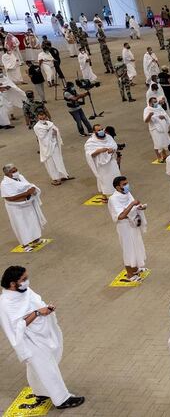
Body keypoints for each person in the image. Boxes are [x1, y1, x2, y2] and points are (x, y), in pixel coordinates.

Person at [0, 266, 86, 410]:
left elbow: (36, 303)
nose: (27, 282)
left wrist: (47, 309)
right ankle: (62, 399)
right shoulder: (6, 303)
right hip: (29, 340)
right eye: (23, 279)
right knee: (47, 368)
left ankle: (41, 392)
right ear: (12, 284)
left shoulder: (24, 291)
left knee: (35, 368)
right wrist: (38, 313)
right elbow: (18, 327)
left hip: (40, 335)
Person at [108, 176, 147, 281]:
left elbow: (133, 207)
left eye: (127, 183)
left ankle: (135, 269)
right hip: (124, 227)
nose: (127, 186)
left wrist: (140, 207)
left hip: (133, 224)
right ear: (117, 187)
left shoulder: (127, 194)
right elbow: (120, 216)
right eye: (124, 184)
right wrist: (132, 204)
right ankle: (130, 274)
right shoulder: (113, 199)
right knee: (129, 249)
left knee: (136, 246)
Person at [1, 165, 46, 249]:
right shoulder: (4, 184)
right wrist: (26, 193)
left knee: (32, 221)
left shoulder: (20, 177)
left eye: (16, 170)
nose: (16, 172)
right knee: (21, 224)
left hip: (27, 203)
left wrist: (32, 189)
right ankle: (25, 244)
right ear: (7, 174)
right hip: (16, 208)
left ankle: (36, 239)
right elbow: (10, 198)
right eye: (13, 171)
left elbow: (28, 186)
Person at [33, 112, 72, 186]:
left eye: (44, 118)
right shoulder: (36, 127)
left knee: (59, 160)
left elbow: (56, 129)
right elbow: (41, 137)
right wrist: (50, 132)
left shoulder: (49, 123)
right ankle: (56, 178)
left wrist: (55, 132)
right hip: (47, 147)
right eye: (41, 118)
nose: (43, 120)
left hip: (54, 145)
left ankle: (63, 175)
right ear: (37, 118)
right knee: (51, 163)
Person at [84, 124, 121, 201]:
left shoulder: (109, 137)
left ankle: (118, 193)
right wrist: (100, 150)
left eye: (102, 129)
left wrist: (112, 149)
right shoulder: (90, 142)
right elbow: (90, 154)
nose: (101, 131)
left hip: (111, 162)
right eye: (98, 130)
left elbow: (114, 145)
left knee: (116, 176)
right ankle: (104, 196)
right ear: (94, 132)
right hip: (101, 165)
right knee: (103, 180)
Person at [144, 97, 170, 163]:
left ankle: (164, 155)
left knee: (164, 141)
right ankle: (159, 157)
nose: (155, 103)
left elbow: (165, 115)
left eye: (156, 101)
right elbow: (146, 121)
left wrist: (163, 117)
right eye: (153, 102)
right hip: (154, 129)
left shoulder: (159, 107)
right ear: (149, 103)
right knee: (158, 143)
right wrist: (149, 115)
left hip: (162, 127)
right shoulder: (147, 109)